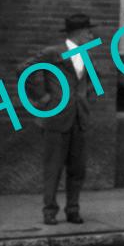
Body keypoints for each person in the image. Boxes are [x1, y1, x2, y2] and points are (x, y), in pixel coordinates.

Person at [20, 13, 99, 226]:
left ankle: (73, 209)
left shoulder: (87, 56)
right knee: (53, 168)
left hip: (79, 119)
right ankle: (49, 211)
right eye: (89, 32)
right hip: (56, 118)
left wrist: (86, 98)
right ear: (80, 33)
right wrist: (42, 96)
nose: (92, 35)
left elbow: (90, 81)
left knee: (77, 169)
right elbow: (24, 69)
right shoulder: (52, 53)